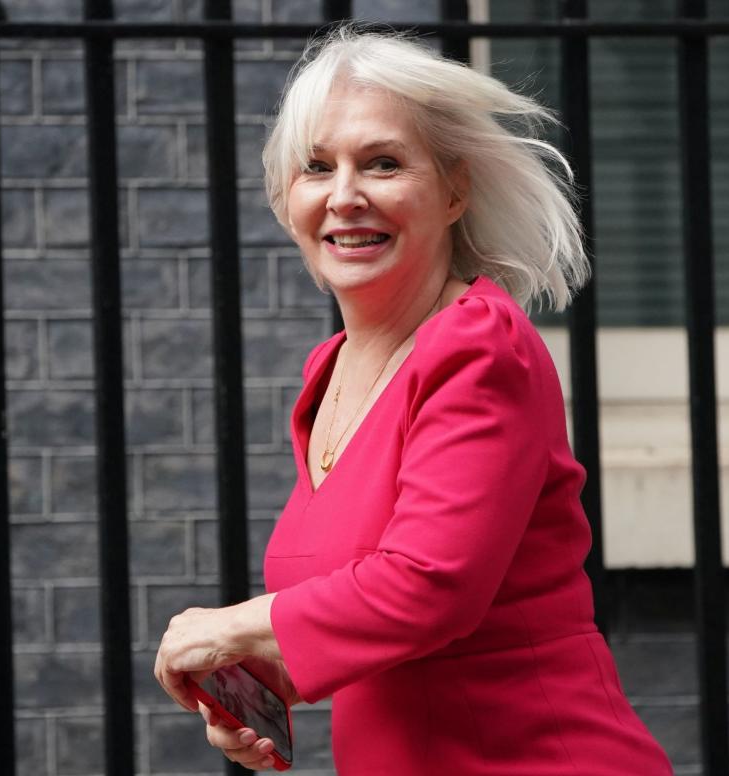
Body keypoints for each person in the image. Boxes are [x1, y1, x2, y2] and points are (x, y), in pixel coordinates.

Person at [154, 26, 674, 775]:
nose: (344, 197)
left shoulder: (476, 345)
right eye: (315, 168)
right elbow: (368, 618)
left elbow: (431, 586)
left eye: (382, 164)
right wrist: (260, 682)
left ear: (454, 189)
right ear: (285, 196)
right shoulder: (328, 371)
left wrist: (236, 625)